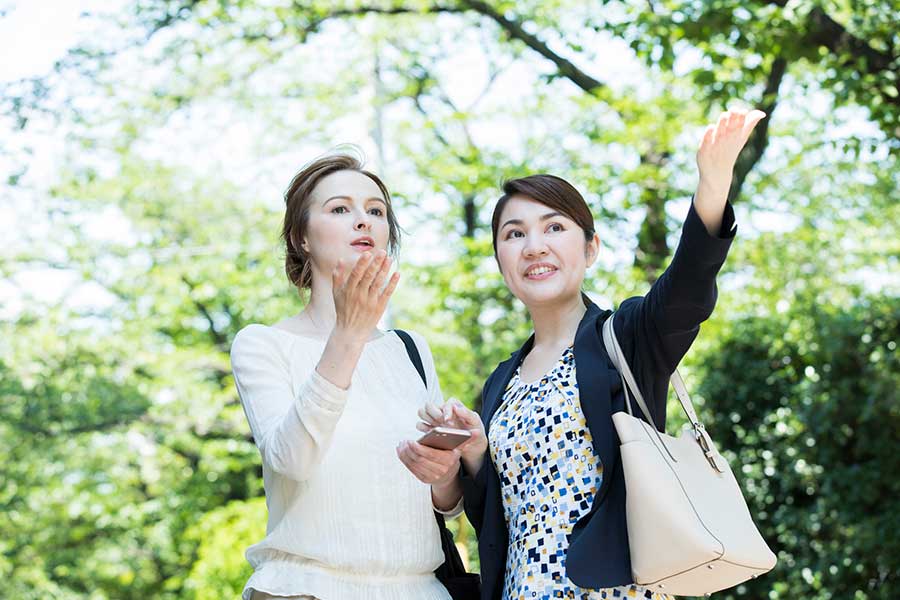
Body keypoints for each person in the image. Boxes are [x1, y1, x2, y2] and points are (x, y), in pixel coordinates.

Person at [409, 108, 766, 600]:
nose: (534, 246)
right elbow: (495, 519)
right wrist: (474, 454)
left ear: (591, 247)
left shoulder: (626, 338)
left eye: (554, 227)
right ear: (500, 261)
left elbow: (687, 287)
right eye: (514, 234)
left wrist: (713, 182)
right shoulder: (499, 383)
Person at [230, 153, 463, 600]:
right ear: (302, 238)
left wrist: (450, 465)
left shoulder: (409, 350)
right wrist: (349, 334)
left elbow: (444, 504)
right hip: (305, 588)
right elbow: (292, 461)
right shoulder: (262, 344)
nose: (364, 221)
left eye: (375, 211)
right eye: (340, 208)